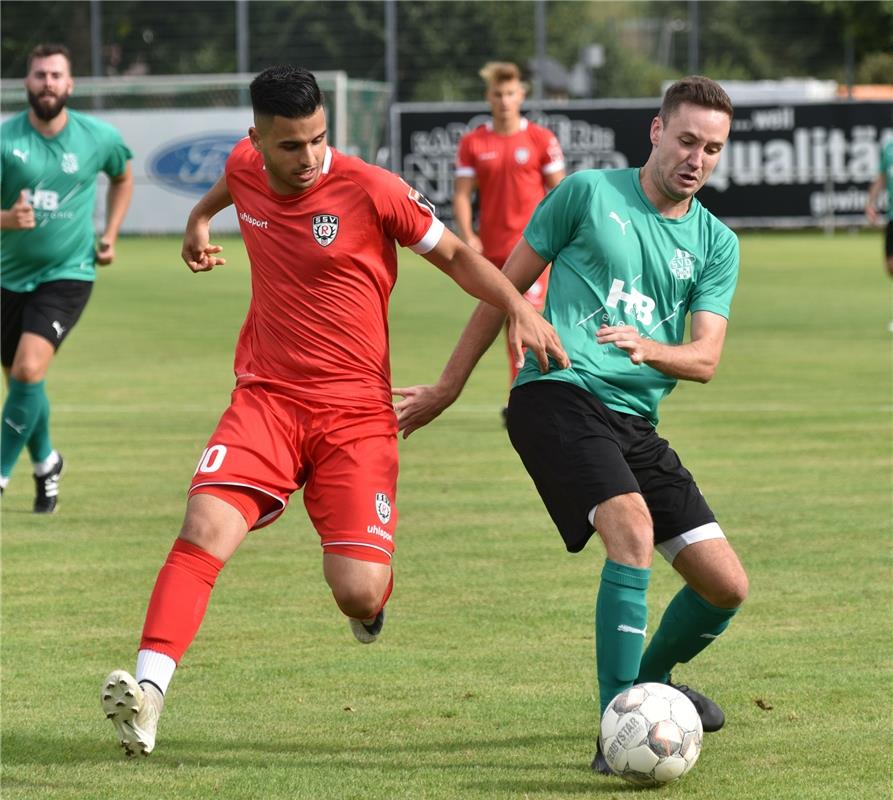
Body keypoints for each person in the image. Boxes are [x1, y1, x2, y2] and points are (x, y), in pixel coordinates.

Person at [100, 65, 568, 758]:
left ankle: (373, 604)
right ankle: (148, 696)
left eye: (319, 139)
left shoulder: (372, 189)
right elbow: (231, 187)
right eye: (291, 146)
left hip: (356, 415)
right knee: (203, 528)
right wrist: (199, 221)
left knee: (355, 590)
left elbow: (458, 258)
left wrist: (515, 308)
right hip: (266, 397)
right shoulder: (246, 164)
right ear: (256, 138)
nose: (309, 157)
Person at [395, 76, 749, 776]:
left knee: (724, 587)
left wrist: (650, 348)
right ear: (655, 131)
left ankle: (643, 689)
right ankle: (617, 725)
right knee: (631, 531)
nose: (696, 159)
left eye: (711, 148)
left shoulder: (715, 243)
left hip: (634, 421)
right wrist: (444, 387)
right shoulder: (587, 194)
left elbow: (704, 358)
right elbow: (500, 289)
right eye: (685, 140)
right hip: (554, 393)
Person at [0, 43, 134, 512]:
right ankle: (47, 464)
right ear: (27, 83)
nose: (48, 83)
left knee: (28, 369)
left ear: (70, 84)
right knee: (23, 384)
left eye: (56, 75)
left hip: (68, 273)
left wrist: (111, 233)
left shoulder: (98, 137)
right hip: (7, 278)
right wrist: (5, 220)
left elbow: (122, 175)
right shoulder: (4, 141)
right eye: (40, 75)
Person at [454, 62, 566, 403]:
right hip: (492, 253)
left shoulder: (540, 139)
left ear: (522, 95)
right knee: (502, 327)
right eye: (498, 94)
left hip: (531, 251)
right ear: (489, 97)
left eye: (510, 93)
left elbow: (559, 194)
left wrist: (556, 236)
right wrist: (468, 235)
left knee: (527, 319)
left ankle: (530, 398)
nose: (504, 100)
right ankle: (524, 396)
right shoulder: (474, 142)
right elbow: (461, 193)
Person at [864, 136, 893, 278]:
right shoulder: (889, 148)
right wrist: (870, 204)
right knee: (890, 266)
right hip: (892, 215)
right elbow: (882, 178)